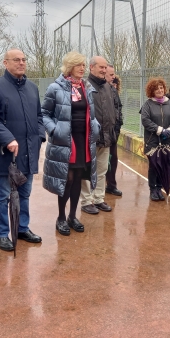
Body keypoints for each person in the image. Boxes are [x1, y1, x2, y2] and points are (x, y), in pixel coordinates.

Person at [0, 49, 46, 251]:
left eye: (24, 59)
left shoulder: (32, 88)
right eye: (16, 60)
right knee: (3, 194)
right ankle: (2, 234)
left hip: (29, 150)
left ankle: (21, 228)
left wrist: (40, 135)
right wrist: (8, 138)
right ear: (5, 63)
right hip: (6, 152)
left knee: (25, 192)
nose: (21, 63)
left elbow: (38, 116)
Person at [42, 51, 99, 235]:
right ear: (69, 67)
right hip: (65, 140)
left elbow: (91, 114)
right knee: (67, 179)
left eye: (83, 65)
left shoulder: (86, 87)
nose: (82, 68)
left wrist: (95, 126)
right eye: (78, 65)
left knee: (78, 180)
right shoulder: (55, 88)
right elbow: (43, 114)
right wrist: (54, 130)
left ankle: (72, 216)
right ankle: (60, 217)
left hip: (84, 140)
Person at [80, 56, 117, 214]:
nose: (103, 70)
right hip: (89, 138)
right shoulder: (84, 86)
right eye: (100, 67)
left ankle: (98, 198)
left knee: (102, 170)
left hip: (107, 137)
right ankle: (86, 201)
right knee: (87, 171)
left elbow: (113, 110)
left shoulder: (108, 87)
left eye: (105, 67)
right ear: (91, 67)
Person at [140, 78, 170, 201]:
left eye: (161, 88)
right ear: (152, 90)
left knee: (164, 166)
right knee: (154, 166)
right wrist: (160, 130)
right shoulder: (147, 104)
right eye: (157, 88)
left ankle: (159, 188)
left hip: (167, 141)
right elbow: (145, 120)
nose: (159, 90)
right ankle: (153, 189)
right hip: (153, 141)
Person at [105, 64, 123, 197]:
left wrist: (117, 130)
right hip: (99, 134)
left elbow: (118, 112)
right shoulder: (94, 89)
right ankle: (92, 191)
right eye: (111, 75)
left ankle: (111, 185)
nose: (114, 77)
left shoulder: (113, 91)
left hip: (112, 133)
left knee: (113, 159)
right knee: (98, 162)